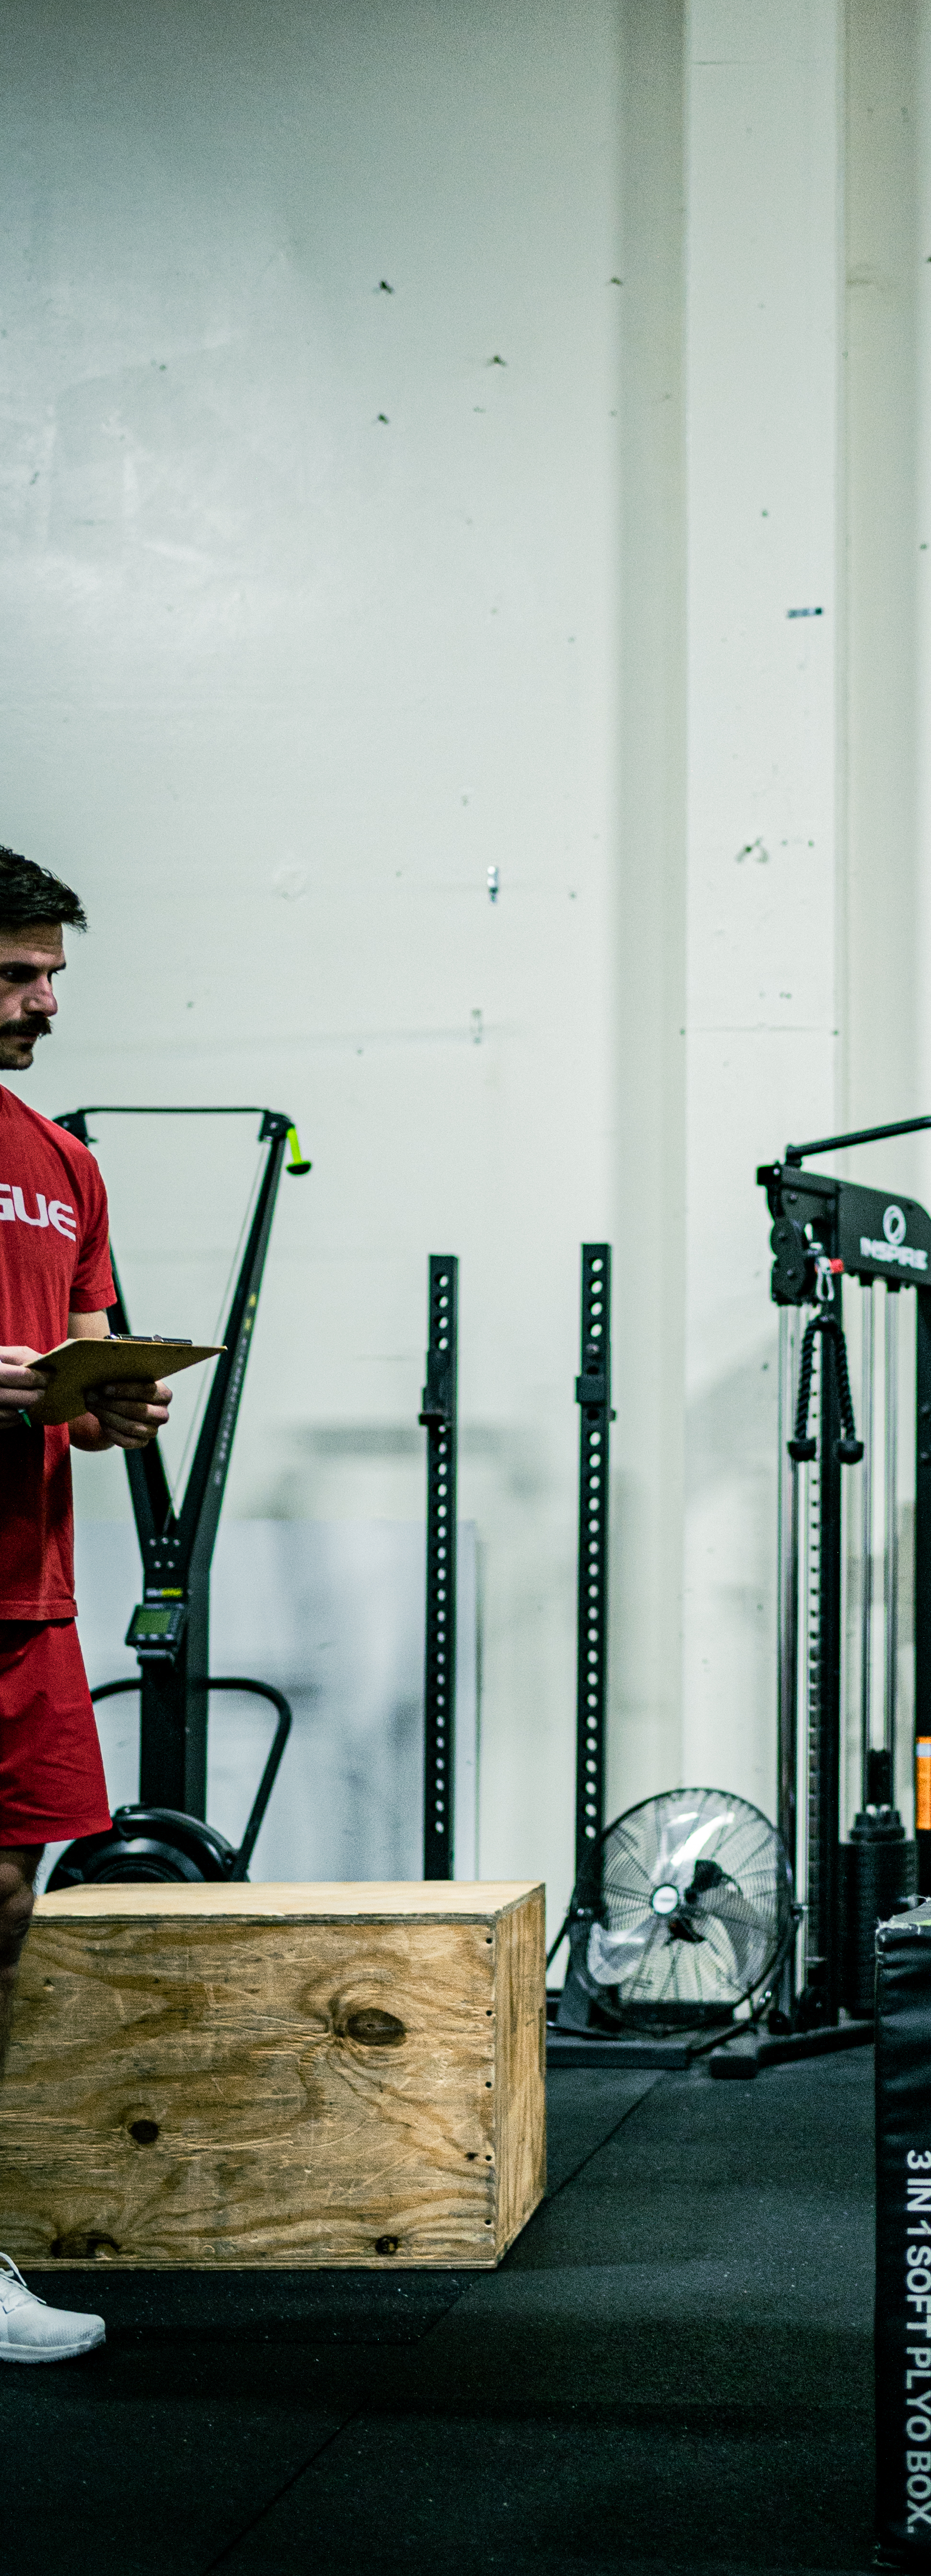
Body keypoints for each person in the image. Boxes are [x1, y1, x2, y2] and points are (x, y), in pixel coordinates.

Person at [0, 847, 171, 2367]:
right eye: (14, 975)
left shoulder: (64, 1162)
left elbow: (90, 1340)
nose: (45, 999)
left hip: (26, 1603)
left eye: (49, 972)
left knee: (0, 1922)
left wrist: (112, 1404)